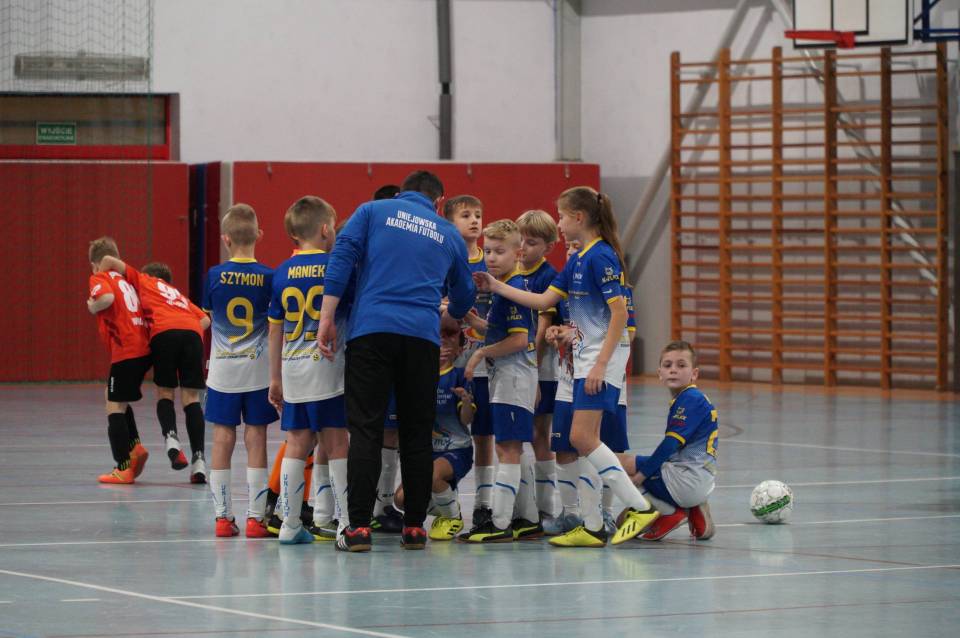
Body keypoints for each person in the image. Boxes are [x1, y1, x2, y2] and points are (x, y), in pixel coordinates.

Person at [472, 186, 659, 548]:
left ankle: (639, 507)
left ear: (579, 217)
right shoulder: (578, 259)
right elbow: (543, 299)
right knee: (580, 441)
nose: (558, 224)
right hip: (581, 358)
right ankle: (592, 525)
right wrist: (496, 285)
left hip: (599, 359)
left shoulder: (601, 256)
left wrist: (601, 364)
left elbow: (620, 314)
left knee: (583, 439)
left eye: (561, 216)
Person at [317, 170, 475, 552]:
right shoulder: (448, 232)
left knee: (366, 430)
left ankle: (358, 528)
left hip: (371, 331)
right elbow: (465, 292)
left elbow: (341, 258)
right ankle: (415, 527)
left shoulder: (371, 211)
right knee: (416, 433)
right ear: (438, 201)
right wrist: (452, 316)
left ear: (402, 193)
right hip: (421, 338)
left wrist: (326, 318)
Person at [267, 196, 349, 545]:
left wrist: (275, 378)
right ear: (327, 229)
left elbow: (274, 330)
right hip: (328, 369)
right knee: (337, 442)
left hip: (294, 370)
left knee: (297, 443)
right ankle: (346, 522)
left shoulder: (282, 272)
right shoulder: (336, 266)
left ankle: (288, 524)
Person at [459, 220, 540, 543]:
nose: (491, 257)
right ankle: (528, 518)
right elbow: (493, 330)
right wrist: (469, 317)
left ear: (517, 253)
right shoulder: (503, 287)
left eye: (499, 251)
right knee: (511, 447)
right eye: (488, 250)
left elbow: (518, 340)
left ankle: (500, 522)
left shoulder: (513, 290)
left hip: (513, 378)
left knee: (507, 448)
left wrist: (480, 353)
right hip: (507, 378)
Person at [97, 256, 211, 484]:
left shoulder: (143, 280)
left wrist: (99, 276)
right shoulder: (177, 295)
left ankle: (171, 439)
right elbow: (205, 320)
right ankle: (199, 460)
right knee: (191, 399)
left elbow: (110, 259)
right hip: (192, 334)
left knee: (165, 392)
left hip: (164, 333)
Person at [202, 203, 278, 538]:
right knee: (256, 437)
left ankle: (222, 517)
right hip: (258, 372)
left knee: (222, 438)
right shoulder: (270, 277)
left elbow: (208, 317)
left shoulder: (213, 276)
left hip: (223, 374)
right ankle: (255, 519)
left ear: (226, 238)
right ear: (259, 235)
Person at [617, 341, 717, 541]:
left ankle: (671, 512)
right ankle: (692, 508)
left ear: (694, 374)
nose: (673, 370)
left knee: (618, 462)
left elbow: (669, 445)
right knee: (621, 522)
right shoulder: (689, 398)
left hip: (687, 480)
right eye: (667, 365)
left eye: (681, 365)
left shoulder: (690, 399)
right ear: (660, 373)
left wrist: (641, 476)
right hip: (698, 480)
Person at [394, 314, 475, 541]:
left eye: (449, 336)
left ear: (459, 350)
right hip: (427, 451)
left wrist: (466, 401)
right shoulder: (419, 376)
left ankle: (453, 517)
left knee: (430, 476)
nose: (443, 340)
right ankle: (446, 505)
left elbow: (466, 420)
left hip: (456, 449)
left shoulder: (459, 376)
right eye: (439, 335)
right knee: (401, 499)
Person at [441, 194, 494, 528]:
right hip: (451, 363)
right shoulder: (443, 260)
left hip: (485, 362)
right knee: (449, 431)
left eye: (477, 214)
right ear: (449, 222)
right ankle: (449, 500)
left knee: (484, 433)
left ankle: (484, 504)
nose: (474, 220)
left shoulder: (492, 262)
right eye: (465, 215)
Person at [85, 237, 152, 484]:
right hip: (142, 347)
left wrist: (92, 306)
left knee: (114, 405)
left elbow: (106, 299)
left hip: (127, 349)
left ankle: (123, 466)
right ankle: (135, 447)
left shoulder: (99, 277)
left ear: (95, 264)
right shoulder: (126, 280)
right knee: (115, 396)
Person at [516, 209, 561, 523]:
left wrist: (532, 369)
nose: (523, 247)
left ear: (548, 246)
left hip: (540, 368)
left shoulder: (549, 277)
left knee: (539, 434)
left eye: (531, 243)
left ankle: (545, 506)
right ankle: (523, 504)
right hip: (512, 363)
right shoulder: (511, 270)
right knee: (516, 435)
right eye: (520, 240)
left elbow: (543, 330)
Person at [371, 183, 404, 534]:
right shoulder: (370, 246)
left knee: (390, 431)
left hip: (394, 349)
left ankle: (383, 505)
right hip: (372, 348)